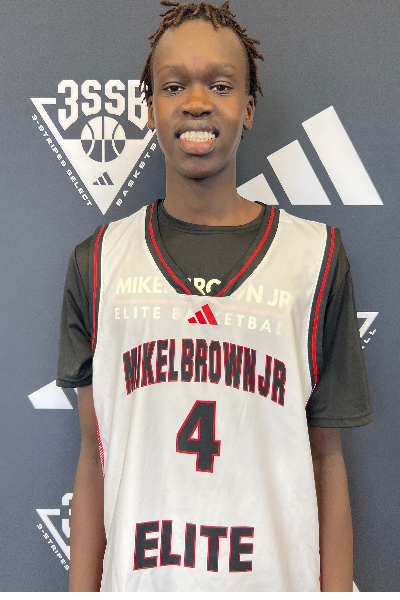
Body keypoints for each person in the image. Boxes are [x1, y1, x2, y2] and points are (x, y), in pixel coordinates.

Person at [56, 0, 372, 592]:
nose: (197, 102)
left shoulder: (315, 259)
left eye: (221, 86)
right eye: (174, 85)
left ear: (247, 108)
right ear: (151, 108)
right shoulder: (98, 262)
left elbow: (326, 459)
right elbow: (94, 459)